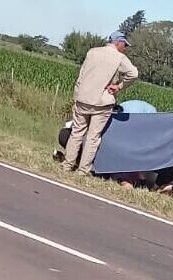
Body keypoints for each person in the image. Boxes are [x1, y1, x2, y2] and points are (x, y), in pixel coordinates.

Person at [62, 31, 138, 176]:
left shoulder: (92, 52)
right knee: (93, 136)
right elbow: (134, 74)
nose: (125, 48)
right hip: (102, 101)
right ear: (118, 43)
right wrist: (119, 86)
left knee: (77, 132)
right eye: (124, 45)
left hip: (83, 98)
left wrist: (76, 96)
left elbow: (81, 75)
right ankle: (83, 170)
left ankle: (67, 164)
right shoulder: (120, 58)